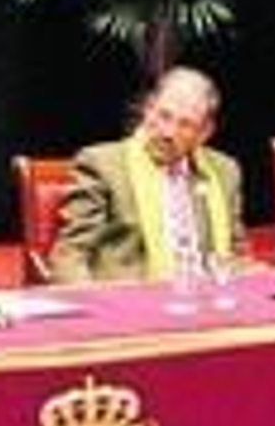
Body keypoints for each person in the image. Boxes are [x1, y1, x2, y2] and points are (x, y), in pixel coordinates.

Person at [49, 65, 247, 283]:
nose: (168, 132)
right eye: (164, 116)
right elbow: (70, 255)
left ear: (205, 133)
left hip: (208, 301)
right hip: (131, 303)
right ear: (148, 108)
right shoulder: (102, 164)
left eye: (186, 124)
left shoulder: (224, 171)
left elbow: (236, 253)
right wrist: (93, 307)